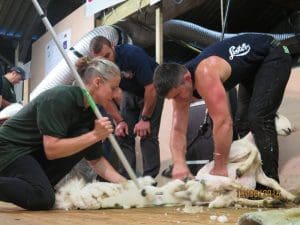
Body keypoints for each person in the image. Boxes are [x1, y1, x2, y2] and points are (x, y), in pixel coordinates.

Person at [153, 34, 292, 181]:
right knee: (242, 124)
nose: (177, 100)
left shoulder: (205, 73)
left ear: (187, 79)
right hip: (250, 69)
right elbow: (178, 130)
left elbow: (223, 122)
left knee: (258, 118)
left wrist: (220, 166)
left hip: (274, 53)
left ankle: (270, 187)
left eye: (178, 95)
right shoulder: (179, 88)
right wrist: (179, 163)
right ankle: (255, 180)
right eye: (172, 98)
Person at [0, 57, 127, 210]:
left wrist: (127, 185)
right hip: (9, 148)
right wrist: (95, 135)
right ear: (98, 82)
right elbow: (52, 150)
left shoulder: (90, 114)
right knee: (43, 197)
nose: (116, 94)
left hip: (31, 153)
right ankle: (40, 189)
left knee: (81, 142)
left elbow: (96, 160)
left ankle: (41, 186)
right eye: (113, 88)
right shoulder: (59, 98)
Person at [88, 36, 164, 178]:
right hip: (130, 92)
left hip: (152, 89)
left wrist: (145, 118)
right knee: (123, 134)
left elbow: (151, 87)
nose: (107, 61)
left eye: (108, 55)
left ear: (112, 46)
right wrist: (120, 121)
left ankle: (149, 181)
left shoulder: (132, 55)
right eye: (101, 60)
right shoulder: (100, 69)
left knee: (146, 135)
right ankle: (127, 180)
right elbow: (106, 98)